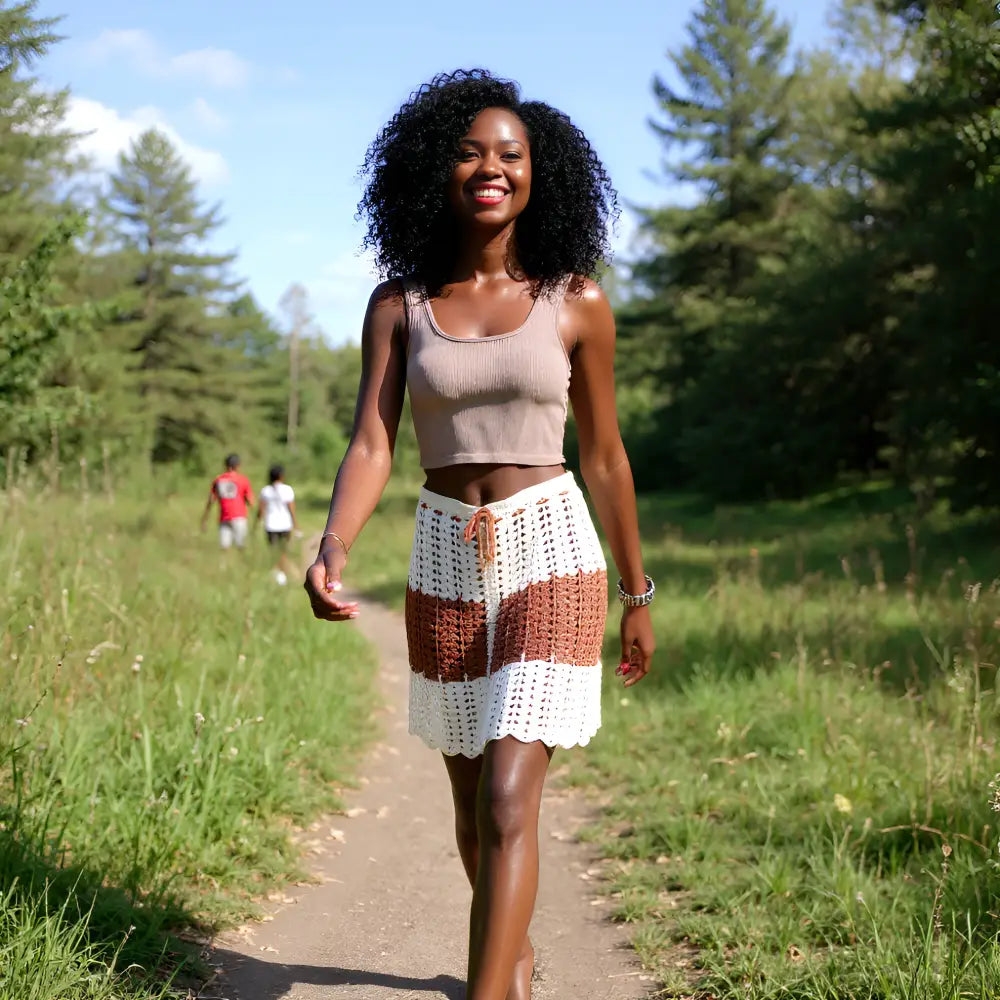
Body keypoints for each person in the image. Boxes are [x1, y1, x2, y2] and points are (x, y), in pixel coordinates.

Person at [303, 69, 655, 1000]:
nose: (490, 167)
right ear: (436, 169)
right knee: (470, 806)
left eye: (510, 153)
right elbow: (373, 441)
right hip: (443, 554)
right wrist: (333, 542)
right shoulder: (399, 304)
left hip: (552, 548)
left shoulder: (576, 300)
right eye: (469, 151)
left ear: (541, 173)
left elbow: (607, 456)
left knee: (508, 797)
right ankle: (513, 955)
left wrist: (637, 592)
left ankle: (488, 988)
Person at [201, 453, 254, 550]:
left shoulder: (218, 480)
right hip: (239, 517)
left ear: (225, 465)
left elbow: (211, 501)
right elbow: (250, 502)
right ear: (238, 465)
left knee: (224, 548)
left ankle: (224, 565)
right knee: (241, 547)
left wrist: (204, 519)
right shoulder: (243, 480)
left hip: (224, 517)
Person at [257, 464, 298, 585]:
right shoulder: (287, 489)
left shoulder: (266, 490)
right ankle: (282, 574)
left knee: (273, 550)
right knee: (283, 550)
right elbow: (291, 508)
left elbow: (261, 509)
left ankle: (278, 573)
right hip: (285, 524)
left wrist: (258, 522)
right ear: (281, 476)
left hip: (271, 525)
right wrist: (295, 523)